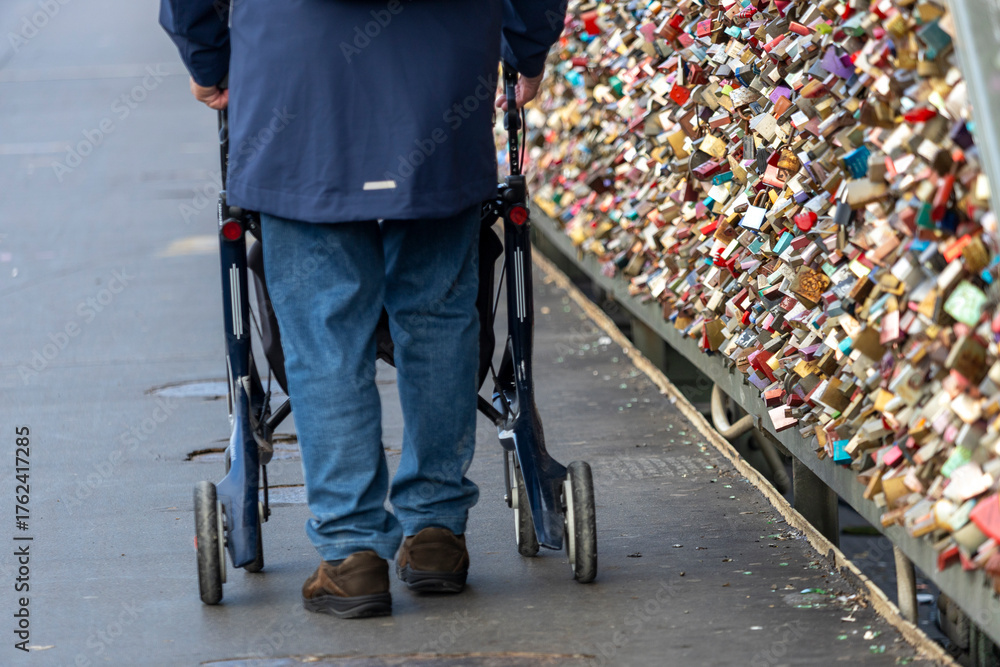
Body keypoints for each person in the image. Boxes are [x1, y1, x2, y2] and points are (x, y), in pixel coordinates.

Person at [160, 0, 566, 618]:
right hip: (439, 83)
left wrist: (209, 59)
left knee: (323, 330)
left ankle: (350, 553)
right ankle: (435, 532)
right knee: (437, 313)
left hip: (296, 86)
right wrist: (526, 47)